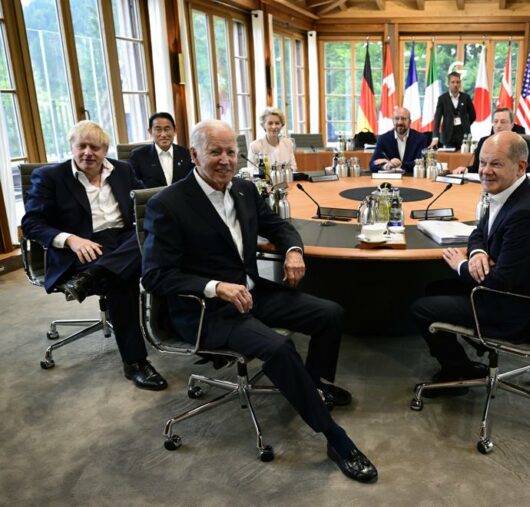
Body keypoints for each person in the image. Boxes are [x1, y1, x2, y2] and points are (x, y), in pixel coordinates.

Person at [141, 119, 377, 483]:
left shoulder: (243, 190)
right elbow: (155, 275)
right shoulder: (168, 204)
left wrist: (294, 251)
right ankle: (335, 438)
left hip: (252, 292)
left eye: (231, 152)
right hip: (208, 311)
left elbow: (278, 226)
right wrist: (215, 287)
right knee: (280, 348)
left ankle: (312, 386)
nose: (225, 160)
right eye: (215, 152)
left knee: (330, 314)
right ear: (194, 155)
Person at [411, 131, 530, 396]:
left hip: (514, 310)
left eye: (496, 164)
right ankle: (461, 365)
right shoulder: (510, 192)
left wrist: (461, 265)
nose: (485, 171)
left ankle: (457, 372)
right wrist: (478, 253)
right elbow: (479, 231)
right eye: (482, 162)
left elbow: (499, 283)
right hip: (509, 293)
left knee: (422, 308)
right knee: (434, 289)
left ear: (520, 167)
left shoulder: (525, 214)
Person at [21, 120, 168, 391]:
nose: (88, 152)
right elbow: (31, 224)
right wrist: (70, 239)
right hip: (83, 246)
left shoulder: (122, 170)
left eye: (95, 147)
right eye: (82, 146)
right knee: (122, 280)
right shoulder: (50, 177)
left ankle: (93, 277)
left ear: (105, 150)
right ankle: (135, 362)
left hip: (123, 241)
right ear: (72, 147)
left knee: (155, 238)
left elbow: (143, 205)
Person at [451, 107, 530, 174]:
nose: (498, 125)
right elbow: (476, 168)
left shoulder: (522, 143)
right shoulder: (484, 142)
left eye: (503, 122)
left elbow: (526, 171)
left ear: (512, 125)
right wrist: (466, 169)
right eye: (495, 121)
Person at [128, 112, 193, 188]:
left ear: (175, 131)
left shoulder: (185, 154)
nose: (163, 135)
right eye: (158, 130)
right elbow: (133, 186)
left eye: (167, 129)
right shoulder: (139, 156)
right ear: (150, 132)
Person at [369, 106, 429, 173]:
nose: (400, 122)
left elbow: (421, 163)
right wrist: (386, 166)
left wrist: (400, 164)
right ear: (393, 121)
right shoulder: (383, 139)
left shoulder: (420, 138)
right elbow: (372, 165)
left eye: (403, 119)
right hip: (390, 178)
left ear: (410, 122)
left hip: (412, 178)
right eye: (396, 118)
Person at [430, 72, 476, 150]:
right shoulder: (442, 99)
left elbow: (473, 115)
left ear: (460, 83)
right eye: (453, 82)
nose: (455, 84)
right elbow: (437, 119)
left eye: (458, 82)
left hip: (463, 135)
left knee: (464, 155)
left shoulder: (466, 98)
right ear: (448, 83)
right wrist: (435, 137)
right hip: (447, 135)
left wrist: (465, 124)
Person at [248, 107, 298, 173]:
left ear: (281, 125)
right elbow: (251, 171)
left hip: (286, 178)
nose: (274, 127)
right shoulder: (254, 146)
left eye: (277, 123)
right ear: (263, 125)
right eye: (270, 123)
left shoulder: (288, 143)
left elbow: (294, 167)